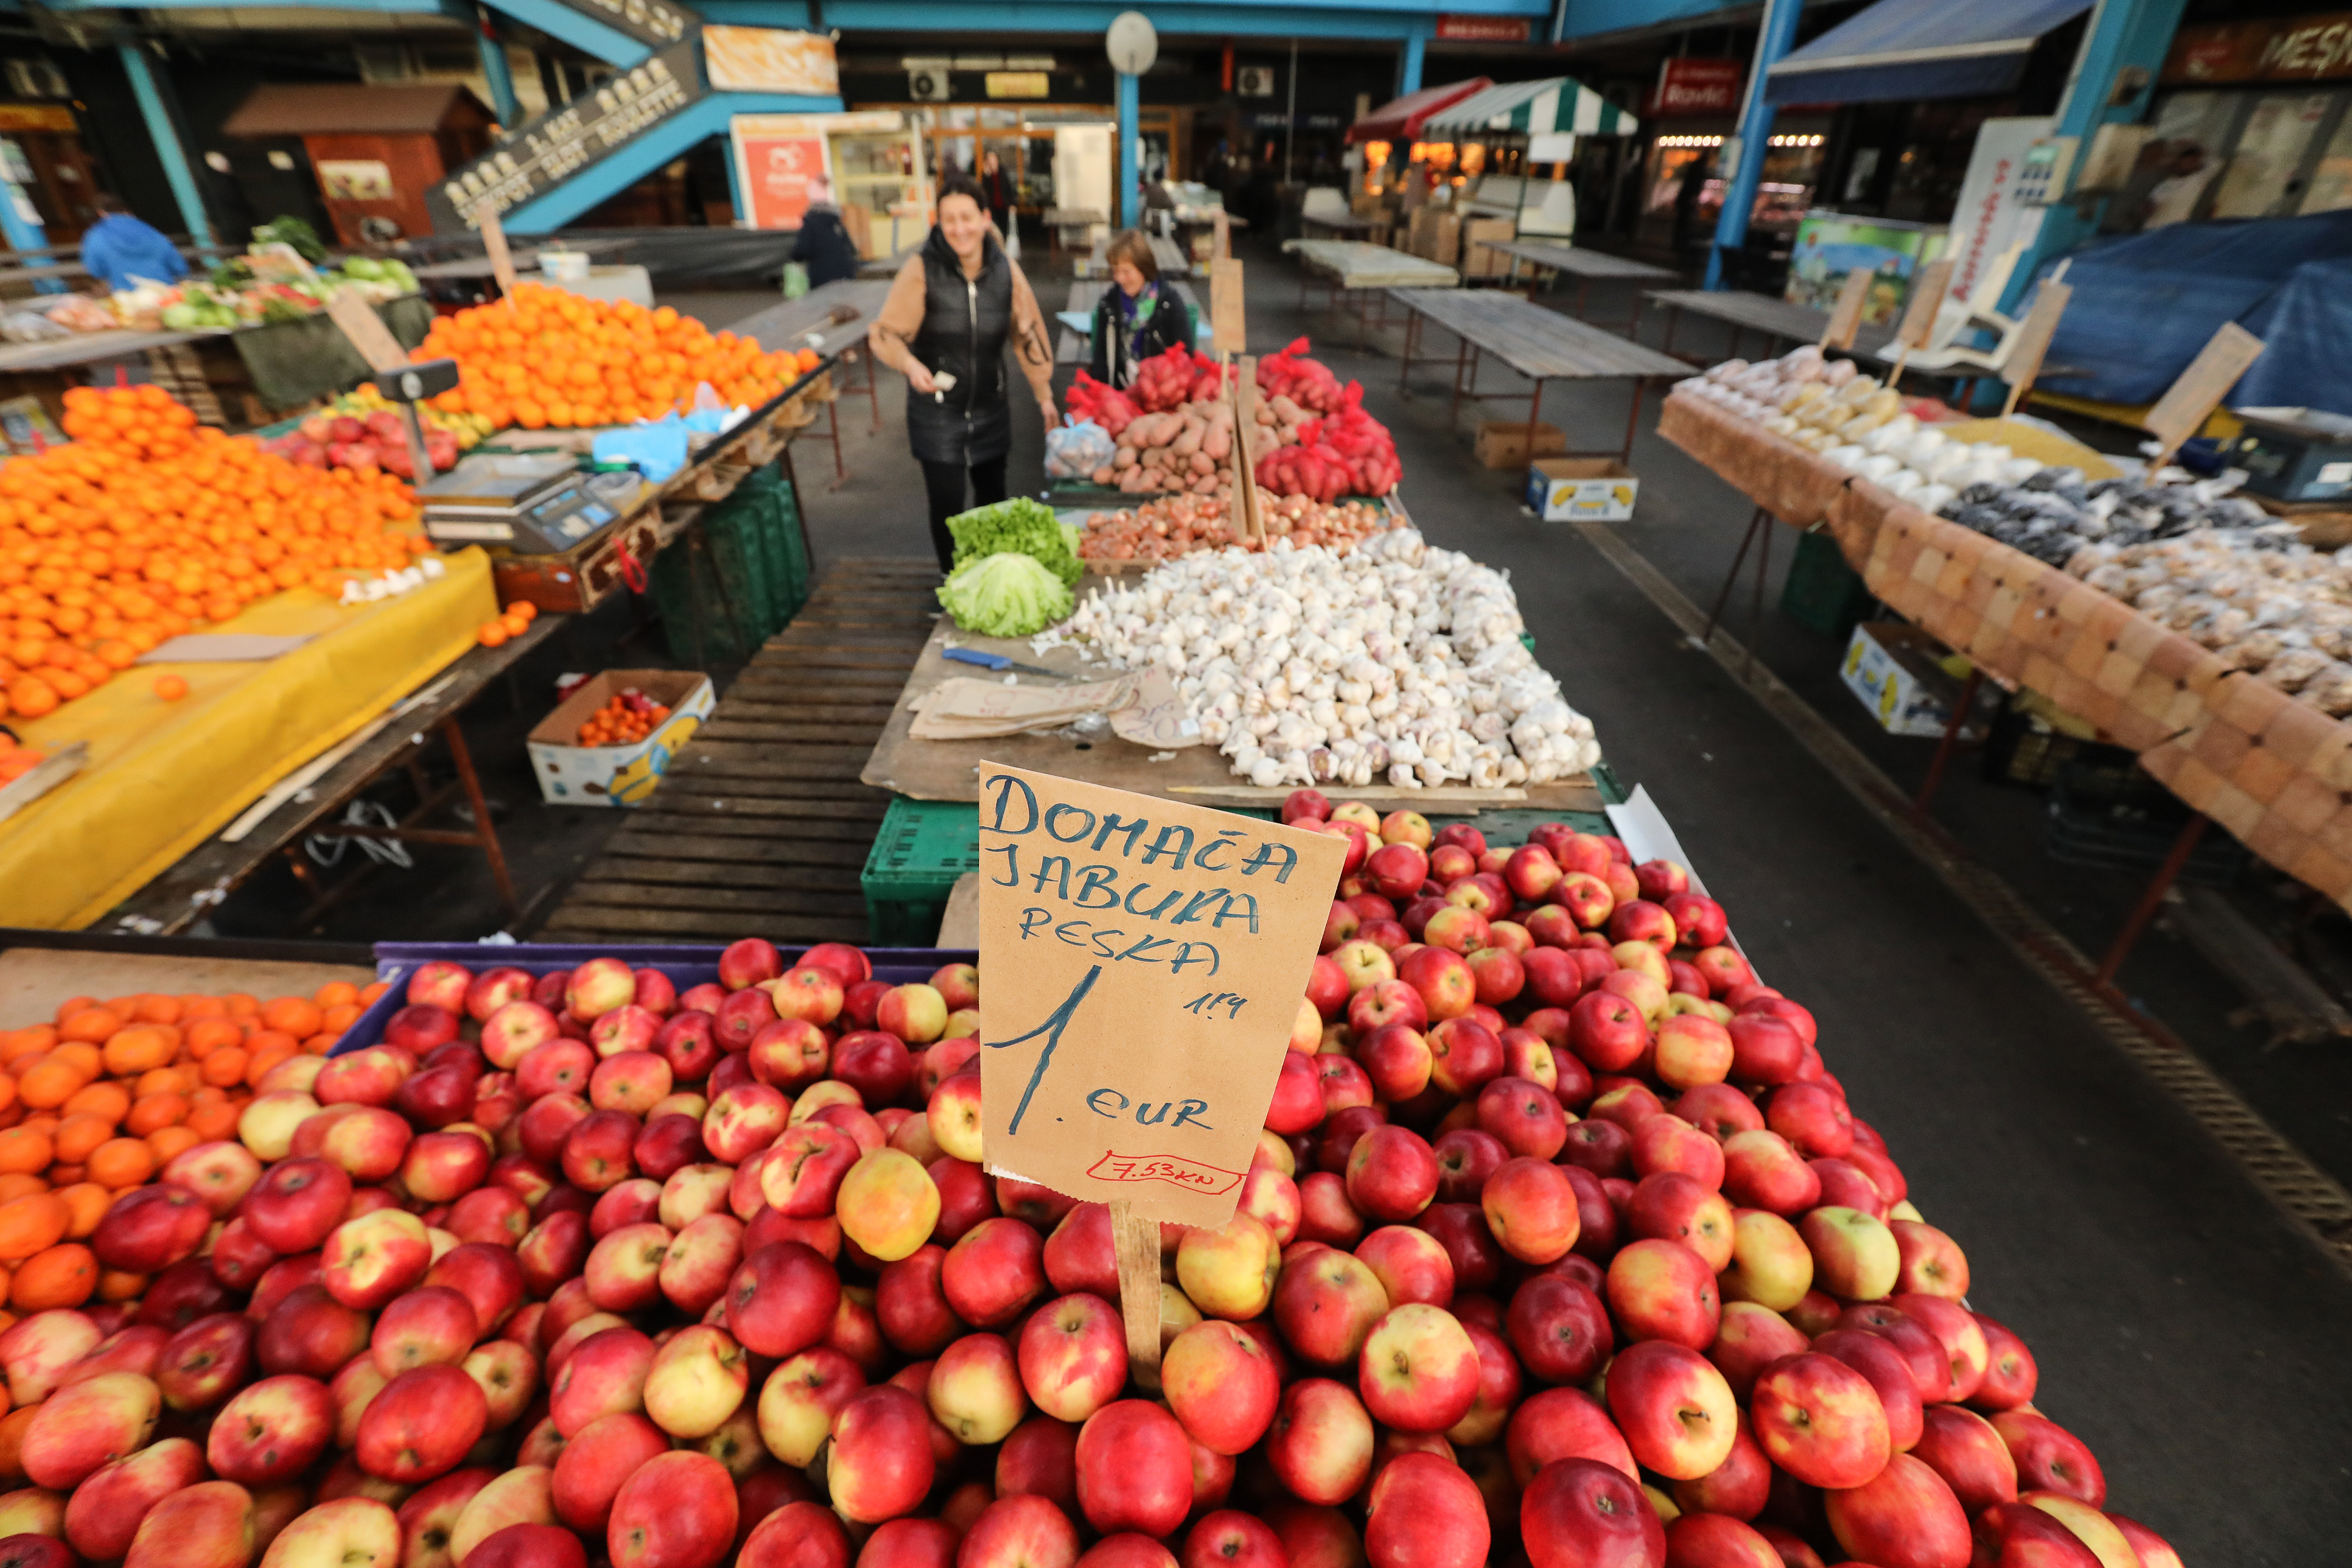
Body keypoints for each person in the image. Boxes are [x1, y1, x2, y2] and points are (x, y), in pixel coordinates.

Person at [870, 173, 1058, 571]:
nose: (959, 229)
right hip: (936, 411)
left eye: (967, 218)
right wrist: (909, 363)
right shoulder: (921, 269)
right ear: (938, 222)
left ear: (985, 218)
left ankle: (989, 580)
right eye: (949, 220)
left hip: (990, 406)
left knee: (992, 503)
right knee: (948, 507)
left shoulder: (1005, 270)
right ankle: (952, 580)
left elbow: (1028, 333)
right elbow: (886, 333)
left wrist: (1044, 394)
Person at [1088, 229, 1191, 390]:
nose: (1119, 278)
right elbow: (1101, 362)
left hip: (1161, 393)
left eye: (1126, 272)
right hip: (1121, 393)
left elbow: (1186, 357)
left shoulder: (1169, 303)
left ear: (1144, 269)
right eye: (1115, 271)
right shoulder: (1108, 305)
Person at [79, 194, 186, 292]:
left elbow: (95, 270)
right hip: (163, 292)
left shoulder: (96, 236)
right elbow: (178, 266)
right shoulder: (150, 231)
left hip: (126, 296)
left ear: (101, 213)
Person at [790, 176, 860, 287]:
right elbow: (851, 248)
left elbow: (802, 251)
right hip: (845, 276)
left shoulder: (811, 223)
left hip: (823, 278)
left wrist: (793, 255)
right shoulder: (836, 222)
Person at [2143, 143, 2216, 230]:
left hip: (2182, 230)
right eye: (2187, 161)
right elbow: (2148, 207)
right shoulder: (2165, 185)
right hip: (2155, 230)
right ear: (2179, 161)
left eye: (2193, 161)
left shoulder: (2200, 178)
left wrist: (2197, 144)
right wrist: (2147, 209)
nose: (2189, 164)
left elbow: (2217, 161)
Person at [978, 151, 1014, 240]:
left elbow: (1008, 188)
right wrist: (987, 175)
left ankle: (1004, 245)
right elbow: (984, 191)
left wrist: (1012, 204)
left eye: (993, 159)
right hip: (992, 207)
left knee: (1005, 229)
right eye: (990, 159)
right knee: (994, 230)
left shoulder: (1002, 172)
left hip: (1003, 205)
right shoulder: (986, 175)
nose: (992, 161)